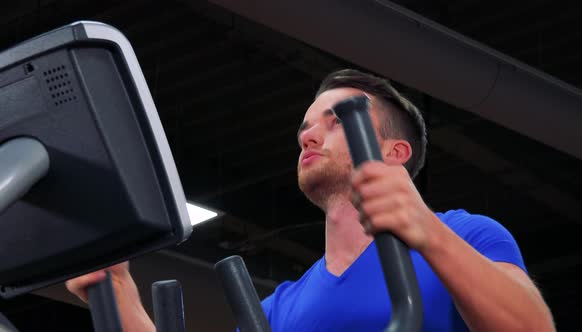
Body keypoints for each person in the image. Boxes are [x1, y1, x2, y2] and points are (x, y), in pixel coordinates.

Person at [67, 69, 555, 331]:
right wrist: (121, 299)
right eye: (305, 128)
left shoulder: (467, 235)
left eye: (335, 121)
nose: (308, 137)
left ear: (394, 153)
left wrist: (426, 233)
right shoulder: (277, 310)